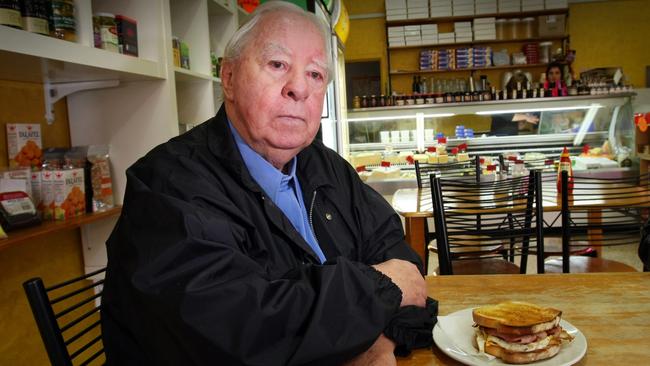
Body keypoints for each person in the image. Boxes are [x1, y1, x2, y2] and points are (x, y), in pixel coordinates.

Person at [101, 2, 434, 365]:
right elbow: (239, 332)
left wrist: (382, 339)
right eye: (277, 65)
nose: (298, 89)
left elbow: (405, 269)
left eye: (315, 75)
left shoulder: (326, 166)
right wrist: (379, 293)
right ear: (228, 78)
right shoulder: (167, 185)